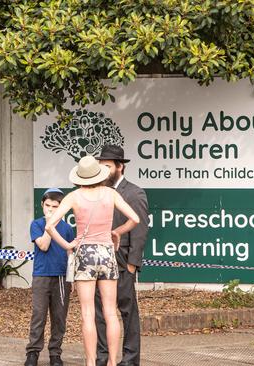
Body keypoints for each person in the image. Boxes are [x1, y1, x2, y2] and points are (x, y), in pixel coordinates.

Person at [45, 156, 140, 366]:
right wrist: (116, 232)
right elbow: (135, 219)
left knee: (88, 313)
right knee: (110, 312)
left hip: (84, 253)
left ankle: (90, 363)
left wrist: (68, 245)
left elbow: (50, 226)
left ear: (80, 177)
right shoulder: (110, 193)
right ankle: (113, 363)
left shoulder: (74, 196)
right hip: (107, 252)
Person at [94, 145, 150, 366]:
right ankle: (103, 357)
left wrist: (132, 264)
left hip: (122, 262)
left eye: (107, 166)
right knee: (100, 314)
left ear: (120, 166)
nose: (104, 170)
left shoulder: (134, 193)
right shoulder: (97, 192)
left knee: (128, 313)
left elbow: (140, 229)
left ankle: (129, 360)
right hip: (99, 262)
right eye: (101, 166)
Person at [25, 188, 75, 366]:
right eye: (47, 205)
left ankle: (55, 353)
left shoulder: (68, 228)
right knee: (38, 315)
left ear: (62, 207)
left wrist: (72, 278)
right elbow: (43, 245)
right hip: (42, 275)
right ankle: (33, 353)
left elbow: (70, 253)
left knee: (59, 317)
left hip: (61, 277)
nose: (51, 209)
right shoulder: (37, 225)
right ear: (42, 205)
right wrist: (49, 225)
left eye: (55, 206)